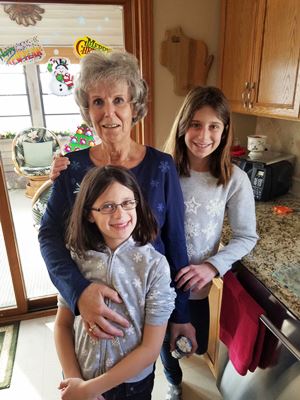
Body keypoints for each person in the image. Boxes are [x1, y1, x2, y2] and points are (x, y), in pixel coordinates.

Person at [39, 49, 197, 382]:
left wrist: (181, 312)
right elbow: (49, 235)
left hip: (145, 312)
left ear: (134, 106)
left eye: (118, 100)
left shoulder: (161, 166)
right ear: (87, 109)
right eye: (97, 102)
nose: (108, 112)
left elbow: (175, 241)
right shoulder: (72, 168)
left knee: (140, 381)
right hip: (90, 326)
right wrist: (78, 291)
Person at [161, 86, 258, 399]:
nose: (204, 135)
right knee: (162, 345)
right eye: (195, 124)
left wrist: (211, 267)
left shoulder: (234, 179)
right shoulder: (163, 170)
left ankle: (176, 367)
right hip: (158, 283)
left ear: (225, 130)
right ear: (182, 126)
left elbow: (246, 235)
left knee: (196, 343)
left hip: (197, 288)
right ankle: (174, 382)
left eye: (213, 126)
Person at [55, 165, 176, 400]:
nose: (120, 214)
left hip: (130, 386)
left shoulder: (155, 266)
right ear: (90, 213)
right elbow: (62, 326)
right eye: (108, 206)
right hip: (80, 376)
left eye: (128, 203)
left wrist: (92, 389)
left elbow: (151, 349)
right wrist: (77, 383)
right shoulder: (76, 258)